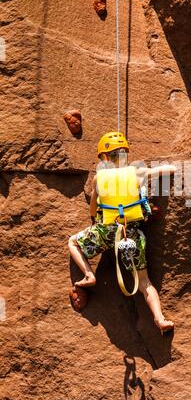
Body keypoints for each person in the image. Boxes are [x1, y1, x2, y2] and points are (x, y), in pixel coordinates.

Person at [68, 132, 175, 334]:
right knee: (144, 283)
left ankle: (89, 274)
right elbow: (170, 169)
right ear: (125, 153)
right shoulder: (136, 172)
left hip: (106, 231)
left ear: (105, 157)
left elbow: (93, 211)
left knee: (73, 242)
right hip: (130, 233)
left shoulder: (99, 178)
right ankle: (160, 320)